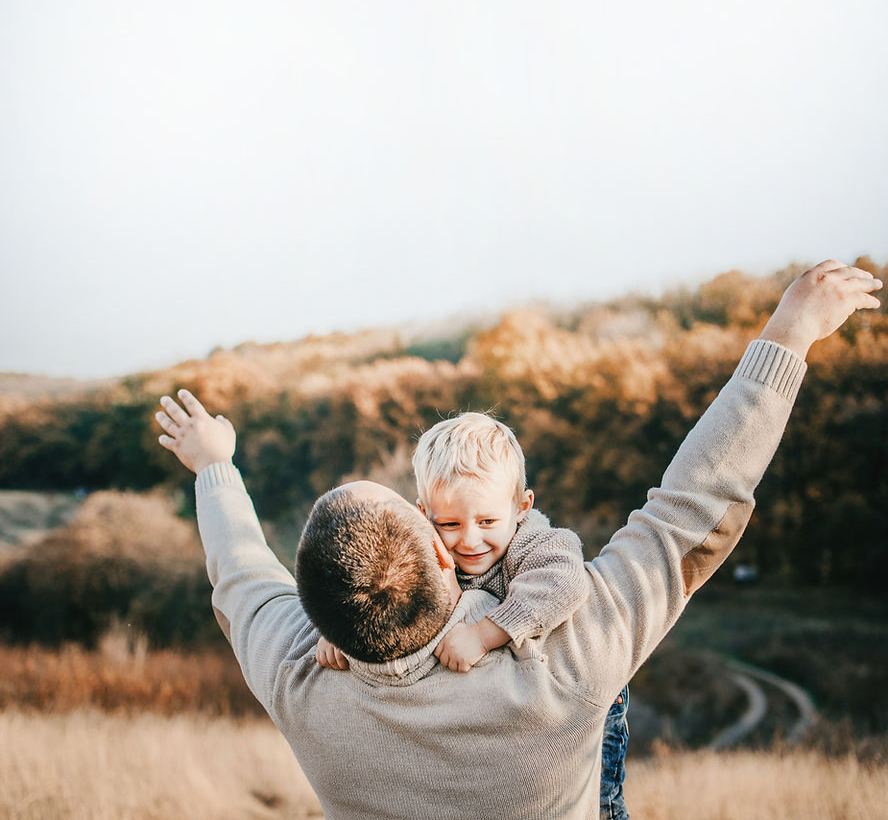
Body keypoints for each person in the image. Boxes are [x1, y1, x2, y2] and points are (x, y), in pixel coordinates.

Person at [156, 261, 880, 819]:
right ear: (435, 545)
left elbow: (239, 573)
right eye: (441, 521)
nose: (468, 536)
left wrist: (215, 467)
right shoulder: (567, 657)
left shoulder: (298, 674)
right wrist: (788, 336)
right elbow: (693, 512)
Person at [316, 411, 632, 818]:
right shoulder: (428, 547)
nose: (469, 539)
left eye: (487, 521)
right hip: (506, 715)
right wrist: (339, 630)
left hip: (584, 699)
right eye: (450, 523)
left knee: (602, 804)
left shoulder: (536, 543)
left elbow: (565, 583)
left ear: (522, 506)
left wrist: (485, 633)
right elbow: (380, 588)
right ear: (423, 513)